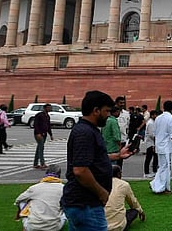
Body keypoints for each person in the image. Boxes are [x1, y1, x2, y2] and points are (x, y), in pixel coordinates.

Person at [61, 90, 132, 230]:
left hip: (85, 204)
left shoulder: (89, 130)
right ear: (96, 111)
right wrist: (102, 193)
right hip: (85, 204)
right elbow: (80, 170)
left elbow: (92, 159)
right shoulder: (85, 133)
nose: (108, 115)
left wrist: (117, 156)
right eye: (106, 111)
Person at [14, 164, 66, 231]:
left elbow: (18, 200)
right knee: (66, 207)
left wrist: (19, 213)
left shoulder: (35, 188)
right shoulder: (63, 188)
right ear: (59, 175)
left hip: (33, 227)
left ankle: (26, 226)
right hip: (54, 228)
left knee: (23, 201)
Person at [149, 100, 172, 195]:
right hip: (166, 147)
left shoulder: (158, 118)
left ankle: (156, 184)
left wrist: (155, 145)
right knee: (166, 167)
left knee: (162, 166)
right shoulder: (170, 119)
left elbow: (155, 133)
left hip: (159, 145)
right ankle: (163, 188)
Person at [105, 165, 145, 231]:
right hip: (118, 226)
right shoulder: (124, 184)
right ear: (118, 174)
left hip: (100, 224)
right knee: (134, 211)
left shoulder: (99, 184)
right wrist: (141, 211)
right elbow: (133, 203)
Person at [33, 103, 54, 169]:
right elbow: (35, 124)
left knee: (39, 148)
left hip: (44, 134)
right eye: (48, 107)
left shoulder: (47, 116)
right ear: (44, 108)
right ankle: (42, 163)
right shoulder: (39, 115)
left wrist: (50, 134)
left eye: (50, 108)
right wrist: (38, 133)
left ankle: (35, 164)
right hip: (39, 134)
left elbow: (48, 126)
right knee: (41, 148)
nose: (50, 109)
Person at [142, 110, 158, 178]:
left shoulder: (153, 122)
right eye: (155, 115)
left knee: (155, 158)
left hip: (152, 143)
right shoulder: (151, 123)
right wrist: (155, 144)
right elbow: (152, 135)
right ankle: (146, 172)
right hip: (151, 143)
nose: (156, 116)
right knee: (149, 158)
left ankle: (154, 171)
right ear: (152, 115)